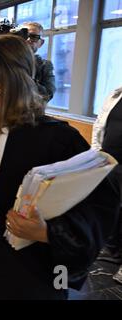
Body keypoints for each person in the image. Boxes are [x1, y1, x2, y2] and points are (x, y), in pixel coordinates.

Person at [0, 34, 119, 299]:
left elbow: (97, 209)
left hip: (21, 275)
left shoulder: (59, 141)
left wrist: (49, 232)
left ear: (2, 83)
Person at [92, 86, 122, 284]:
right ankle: (113, 250)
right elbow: (99, 126)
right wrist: (95, 155)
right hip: (108, 162)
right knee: (113, 207)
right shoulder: (115, 94)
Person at [22, 22, 55, 102]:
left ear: (41, 43)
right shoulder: (7, 60)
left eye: (34, 37)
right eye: (25, 36)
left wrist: (26, 79)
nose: (28, 40)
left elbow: (48, 94)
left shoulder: (45, 65)